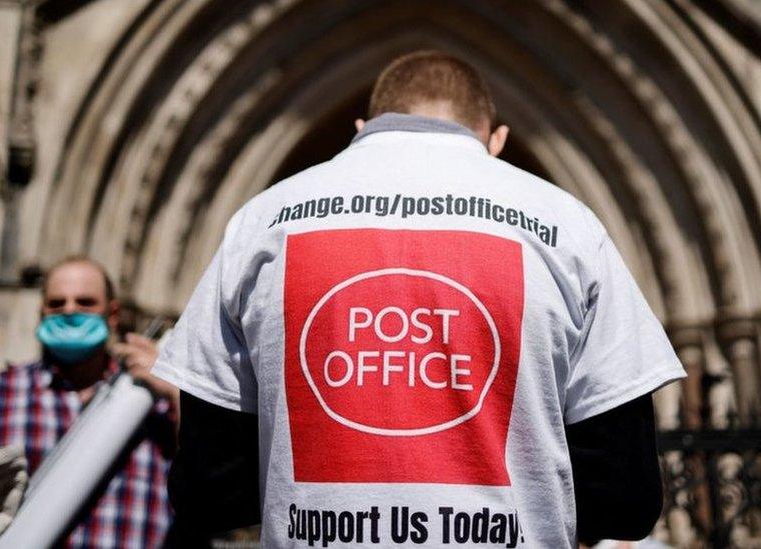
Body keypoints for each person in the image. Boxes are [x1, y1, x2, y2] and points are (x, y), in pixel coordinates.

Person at [154, 50, 686, 548]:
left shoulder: (261, 221)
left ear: (360, 132)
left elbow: (211, 488)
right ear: (496, 140)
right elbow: (625, 497)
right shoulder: (568, 226)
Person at [0, 256, 179, 547]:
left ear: (112, 314)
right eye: (56, 303)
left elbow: (214, 480)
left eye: (85, 302)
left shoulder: (156, 403)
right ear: (41, 313)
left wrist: (177, 393)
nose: (69, 311)